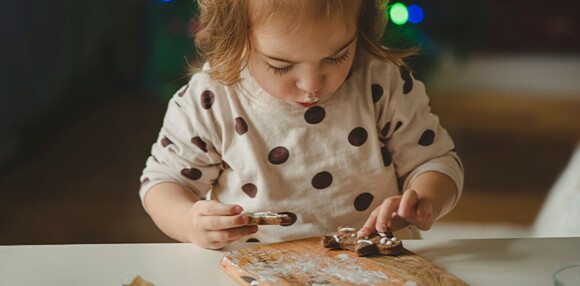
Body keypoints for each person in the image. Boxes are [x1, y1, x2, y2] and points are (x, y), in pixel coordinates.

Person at [139, 0, 464, 250]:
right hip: (252, 270)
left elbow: (435, 161)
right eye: (281, 65)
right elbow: (163, 183)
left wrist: (425, 200)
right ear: (235, 37)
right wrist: (188, 221)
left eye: (337, 56)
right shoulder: (211, 98)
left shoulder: (382, 83)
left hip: (376, 268)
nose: (312, 84)